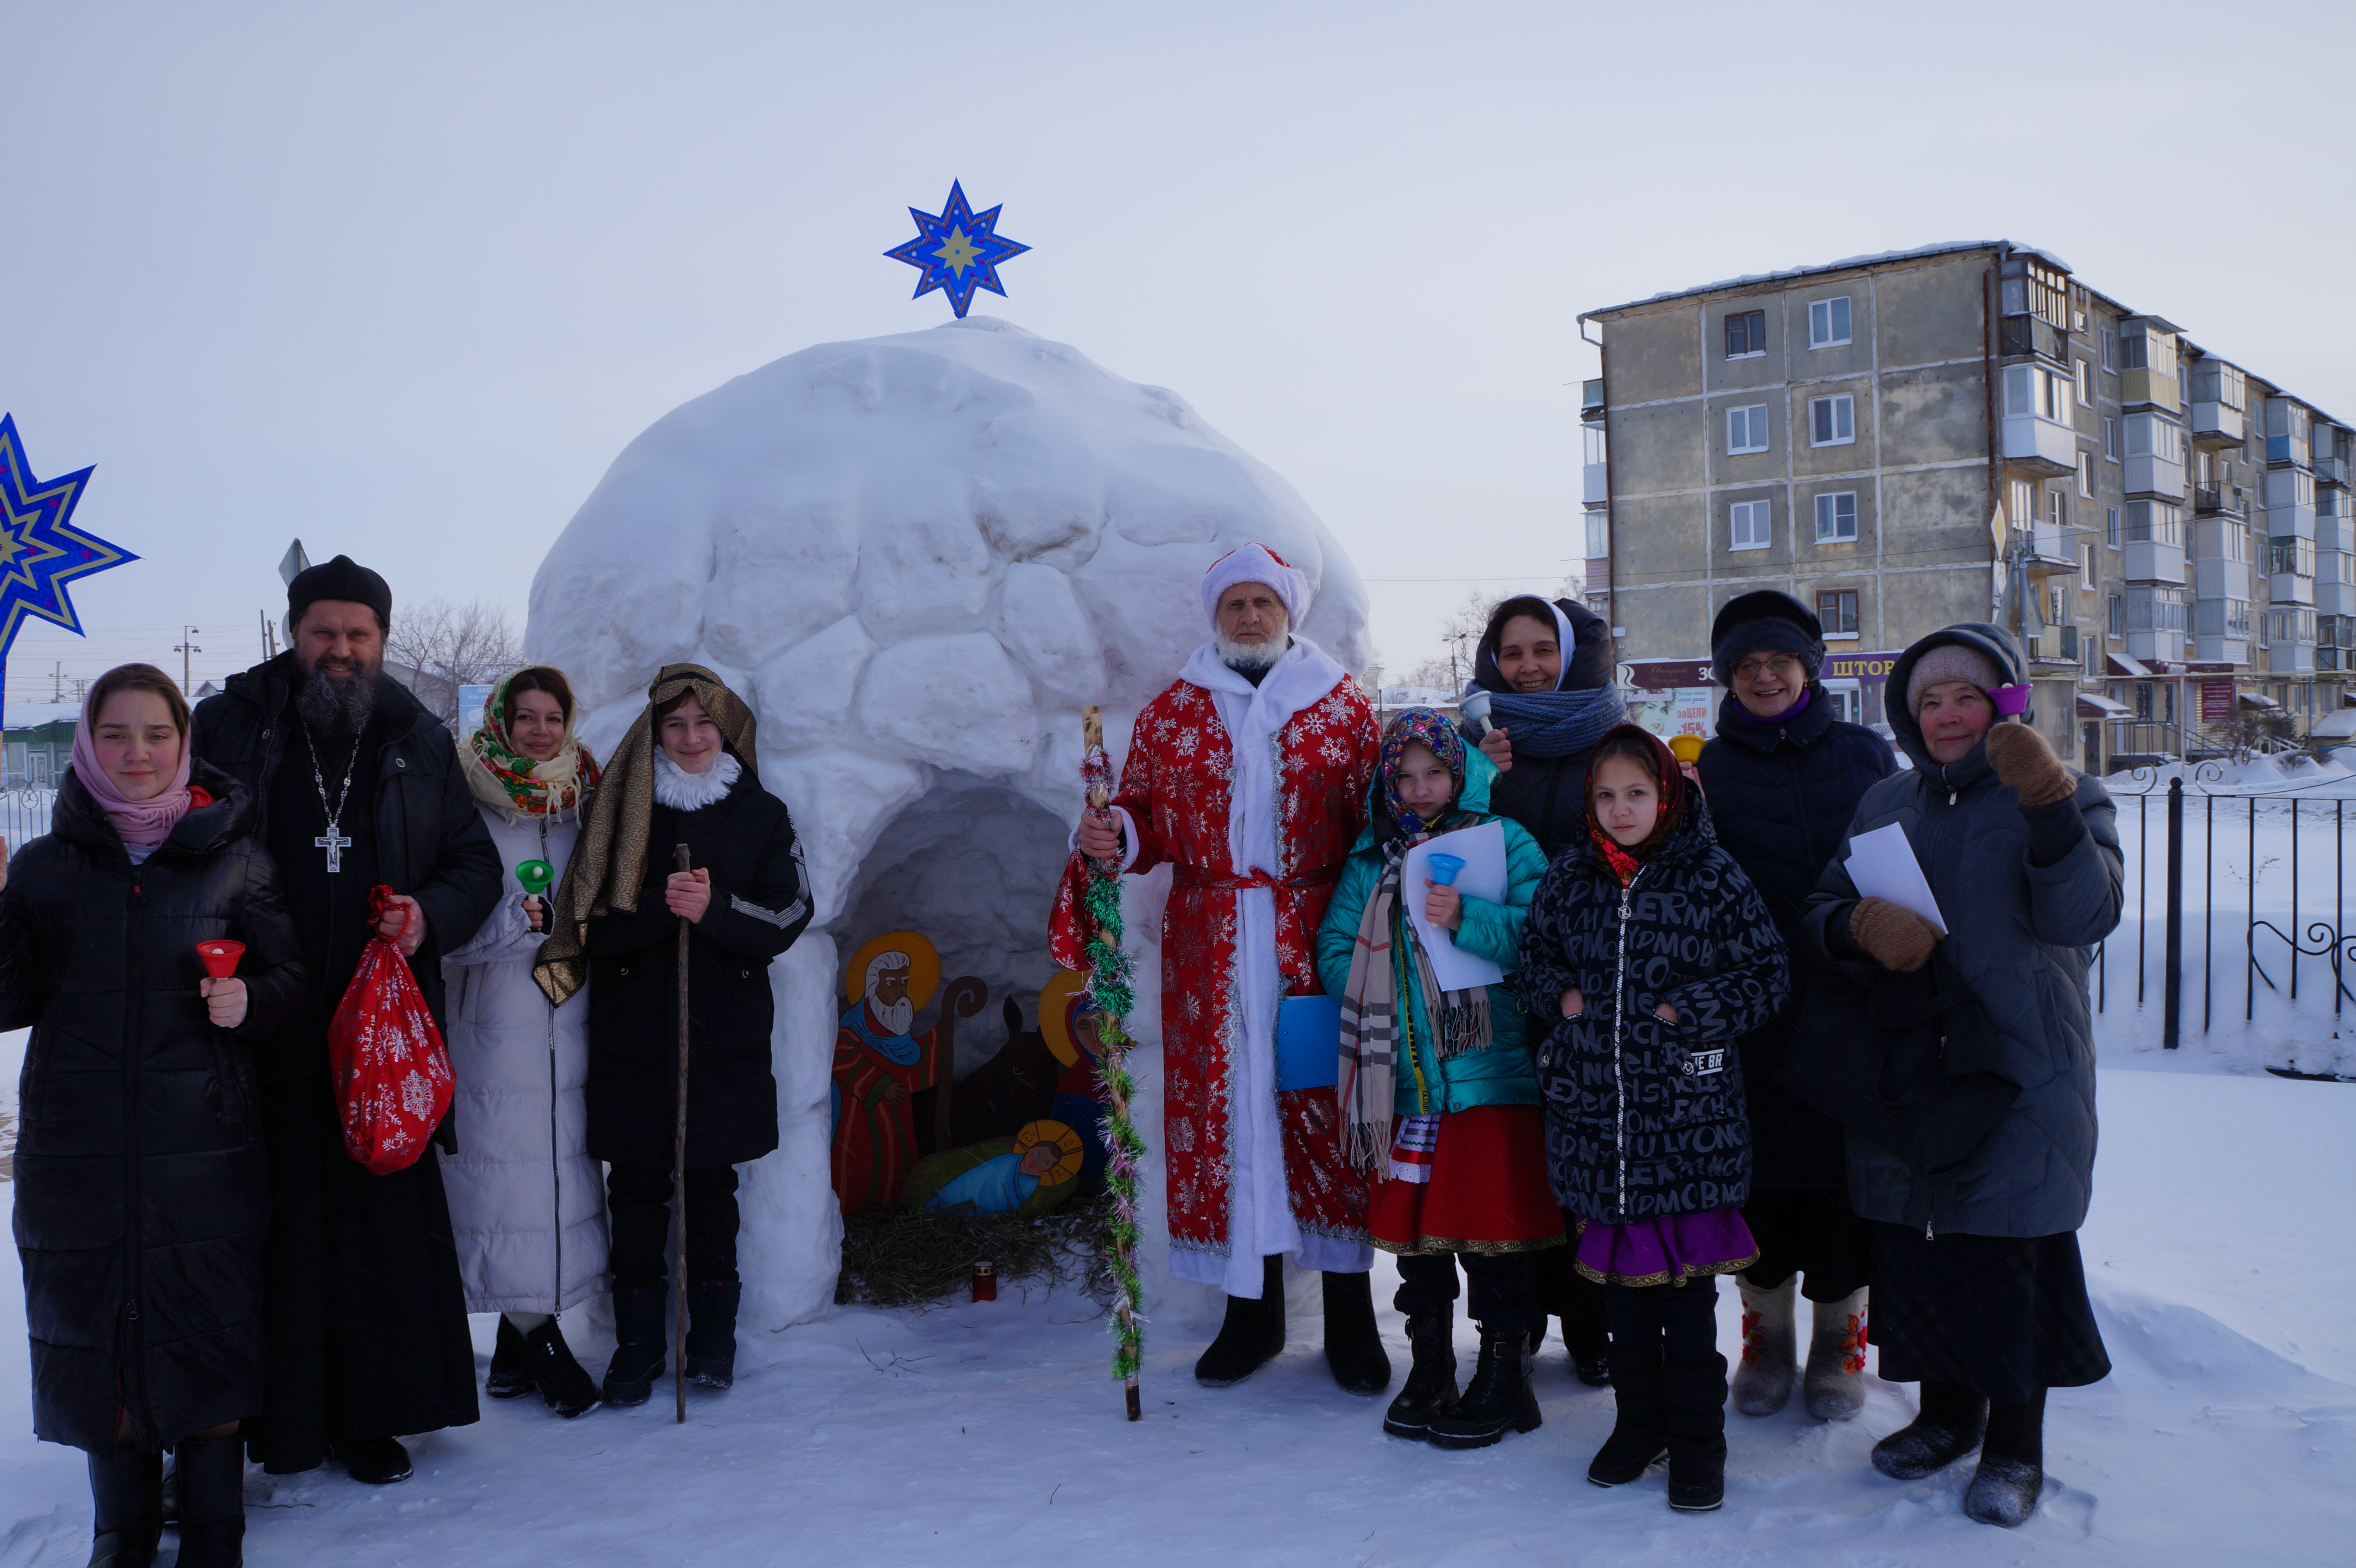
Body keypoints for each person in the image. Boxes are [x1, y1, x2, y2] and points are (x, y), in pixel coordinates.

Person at [1798, 625, 2121, 1528]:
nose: (1945, 714)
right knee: (1922, 1243)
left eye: (1966, 697)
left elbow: (2086, 913)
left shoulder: (2061, 794)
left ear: (2004, 705)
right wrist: (1857, 926)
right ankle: (1945, 1418)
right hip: (1912, 1066)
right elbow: (1820, 905)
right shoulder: (1883, 801)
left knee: (2010, 1251)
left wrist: (2048, 803)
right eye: (1929, 699)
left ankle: (2014, 1445)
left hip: (2022, 1070)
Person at [193, 556, 504, 1485]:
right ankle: (283, 1425)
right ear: (294, 633)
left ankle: (373, 1413)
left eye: (358, 635)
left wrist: (426, 915)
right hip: (263, 1019)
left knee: (377, 1225)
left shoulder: (415, 736)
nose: (340, 650)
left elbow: (474, 868)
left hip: (382, 1030)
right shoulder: (232, 723)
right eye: (323, 632)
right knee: (280, 1225)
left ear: (382, 640)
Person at [1056, 542, 1389, 1394]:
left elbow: (1380, 820)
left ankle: (1350, 1312)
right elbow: (1143, 815)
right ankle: (1254, 1312)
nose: (1249, 617)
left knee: (1323, 1109)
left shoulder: (1342, 708)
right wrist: (1114, 835)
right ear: (1216, 615)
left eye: (1263, 604)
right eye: (1235, 604)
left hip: (1315, 936)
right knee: (1231, 1119)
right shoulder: (1174, 713)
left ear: (1288, 613)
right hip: (1209, 946)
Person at [2, 665, 306, 1567]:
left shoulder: (236, 855)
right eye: (114, 734)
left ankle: (216, 1531)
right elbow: (9, 999)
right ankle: (121, 1531)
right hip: (77, 1145)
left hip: (203, 1145)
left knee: (205, 1324)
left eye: (156, 733)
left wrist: (248, 998)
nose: (137, 752)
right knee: (99, 1331)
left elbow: (290, 978)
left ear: (186, 742)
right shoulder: (47, 864)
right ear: (88, 745)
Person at [1517, 724, 1789, 1513]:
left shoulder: (1709, 874)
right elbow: (1535, 957)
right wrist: (1561, 997)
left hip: (1688, 1130)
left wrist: (1689, 1010)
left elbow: (1767, 972)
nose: (1620, 808)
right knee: (1624, 1308)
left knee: (1686, 1311)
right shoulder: (1571, 876)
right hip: (1597, 1131)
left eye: (1636, 792)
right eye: (1605, 795)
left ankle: (1700, 1444)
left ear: (1666, 793)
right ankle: (1640, 1427)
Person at [533, 664, 811, 1404]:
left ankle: (713, 1340)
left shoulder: (764, 814)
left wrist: (716, 910)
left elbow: (789, 915)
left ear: (727, 730)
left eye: (703, 723)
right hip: (636, 1037)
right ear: (656, 733)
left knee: (714, 1191)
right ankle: (637, 1347)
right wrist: (663, 907)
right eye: (675, 725)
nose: (690, 738)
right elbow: (586, 917)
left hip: (724, 1036)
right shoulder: (621, 808)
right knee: (637, 1197)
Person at [1316, 709, 1558, 1449]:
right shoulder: (1368, 863)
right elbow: (1334, 946)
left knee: (1494, 1236)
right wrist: (1384, 971)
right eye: (1406, 776)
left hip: (1488, 1079)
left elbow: (1542, 932)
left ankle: (1502, 1370)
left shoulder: (1502, 843)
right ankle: (1429, 1365)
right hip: (1408, 1085)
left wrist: (1466, 920)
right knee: (1421, 1246)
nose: (1421, 789)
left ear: (1461, 773)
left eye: (1436, 773)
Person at [1694, 591, 1894, 1422]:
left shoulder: (1865, 755)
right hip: (1751, 1018)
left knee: (1843, 1190)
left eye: (1779, 661)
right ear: (1729, 679)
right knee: (1762, 1186)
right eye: (1748, 666)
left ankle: (1839, 1346)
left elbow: (1897, 862)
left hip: (1849, 1002)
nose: (1765, 676)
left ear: (1809, 668)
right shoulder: (1705, 769)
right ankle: (1766, 1340)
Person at [1458, 593, 1625, 1386]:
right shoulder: (1477, 746)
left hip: (1589, 983)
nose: (1526, 668)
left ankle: (1590, 1322)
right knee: (1511, 1153)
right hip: (1496, 980)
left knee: (1588, 1152)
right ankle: (1513, 1316)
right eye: (1511, 653)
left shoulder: (1616, 741)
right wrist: (1477, 779)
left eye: (1541, 651)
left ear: (1572, 654)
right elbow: (1441, 844)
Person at [441, 667, 606, 1419]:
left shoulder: (582, 799)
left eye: (552, 717)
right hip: (490, 1022)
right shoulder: (463, 799)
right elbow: (436, 926)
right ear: (500, 720)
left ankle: (516, 1337)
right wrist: (512, 922)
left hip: (564, 1019)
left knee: (554, 1179)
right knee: (505, 1184)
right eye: (526, 716)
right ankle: (543, 1340)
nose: (539, 731)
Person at [830, 943, 947, 1216]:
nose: (900, 990)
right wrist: (880, 1085)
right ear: (874, 984)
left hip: (896, 1113)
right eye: (892, 982)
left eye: (904, 982)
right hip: (860, 1112)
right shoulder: (856, 1022)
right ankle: (853, 1211)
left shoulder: (899, 1020)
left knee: (897, 1160)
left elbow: (910, 1062)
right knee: (861, 1162)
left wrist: (944, 1034)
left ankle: (893, 1207)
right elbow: (841, 1056)